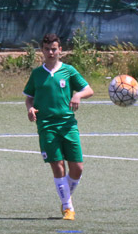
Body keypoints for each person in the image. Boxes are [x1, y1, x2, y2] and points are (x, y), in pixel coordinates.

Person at [24, 33, 94, 220]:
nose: (50, 52)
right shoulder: (37, 74)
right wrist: (30, 109)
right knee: (58, 166)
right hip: (46, 125)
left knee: (77, 168)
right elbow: (29, 98)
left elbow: (89, 89)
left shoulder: (69, 71)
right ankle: (67, 207)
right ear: (42, 50)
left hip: (68, 124)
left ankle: (65, 197)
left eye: (54, 49)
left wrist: (78, 95)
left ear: (60, 50)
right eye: (47, 49)